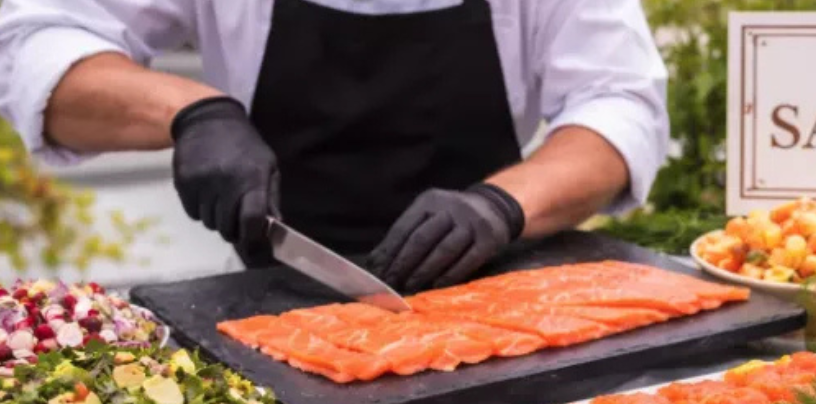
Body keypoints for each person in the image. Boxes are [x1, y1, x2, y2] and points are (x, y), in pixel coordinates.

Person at [0, 0, 668, 291]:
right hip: (269, 292)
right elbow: (35, 42)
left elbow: (619, 100)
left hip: (501, 291)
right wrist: (191, 113)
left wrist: (501, 205)